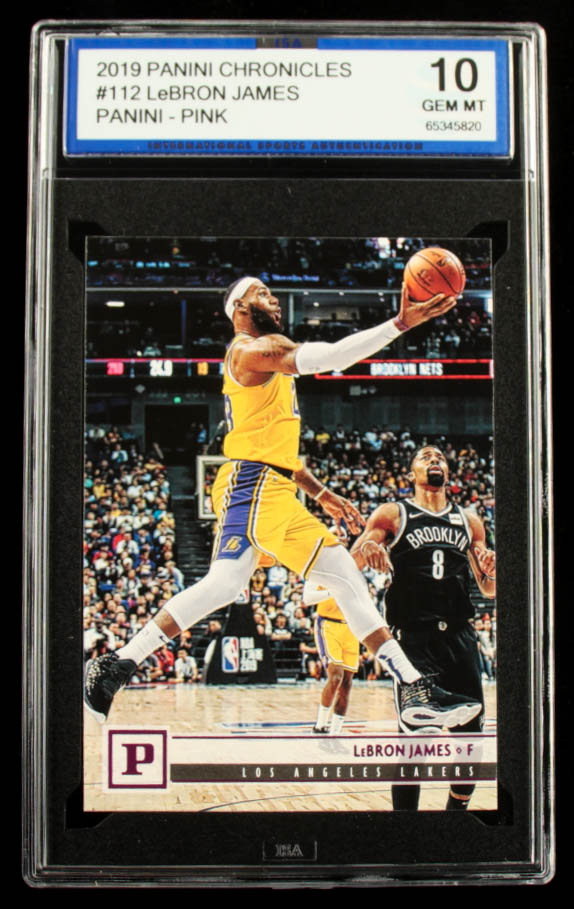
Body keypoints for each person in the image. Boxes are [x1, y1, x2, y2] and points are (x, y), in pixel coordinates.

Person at [85, 277, 480, 730]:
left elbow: (278, 454)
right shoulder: (254, 350)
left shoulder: (262, 359)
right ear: (239, 307)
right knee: (342, 576)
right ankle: (414, 686)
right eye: (262, 294)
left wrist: (322, 494)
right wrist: (398, 324)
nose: (273, 299)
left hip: (258, 484)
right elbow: (332, 357)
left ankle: (116, 665)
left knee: (224, 585)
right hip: (255, 485)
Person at [351, 445, 496, 811]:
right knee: (414, 741)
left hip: (460, 635)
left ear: (448, 471)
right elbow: (351, 562)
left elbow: (488, 589)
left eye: (440, 457)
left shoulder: (469, 520)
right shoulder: (393, 513)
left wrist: (493, 572)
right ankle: (407, 827)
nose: (434, 460)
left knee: (471, 737)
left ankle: (455, 815)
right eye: (425, 457)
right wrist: (367, 547)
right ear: (410, 473)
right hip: (413, 638)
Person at [303, 581, 359, 735]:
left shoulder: (354, 575)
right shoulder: (317, 573)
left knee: (346, 683)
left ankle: (336, 730)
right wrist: (334, 591)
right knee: (335, 677)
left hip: (351, 627)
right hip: (328, 625)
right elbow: (307, 598)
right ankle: (320, 725)